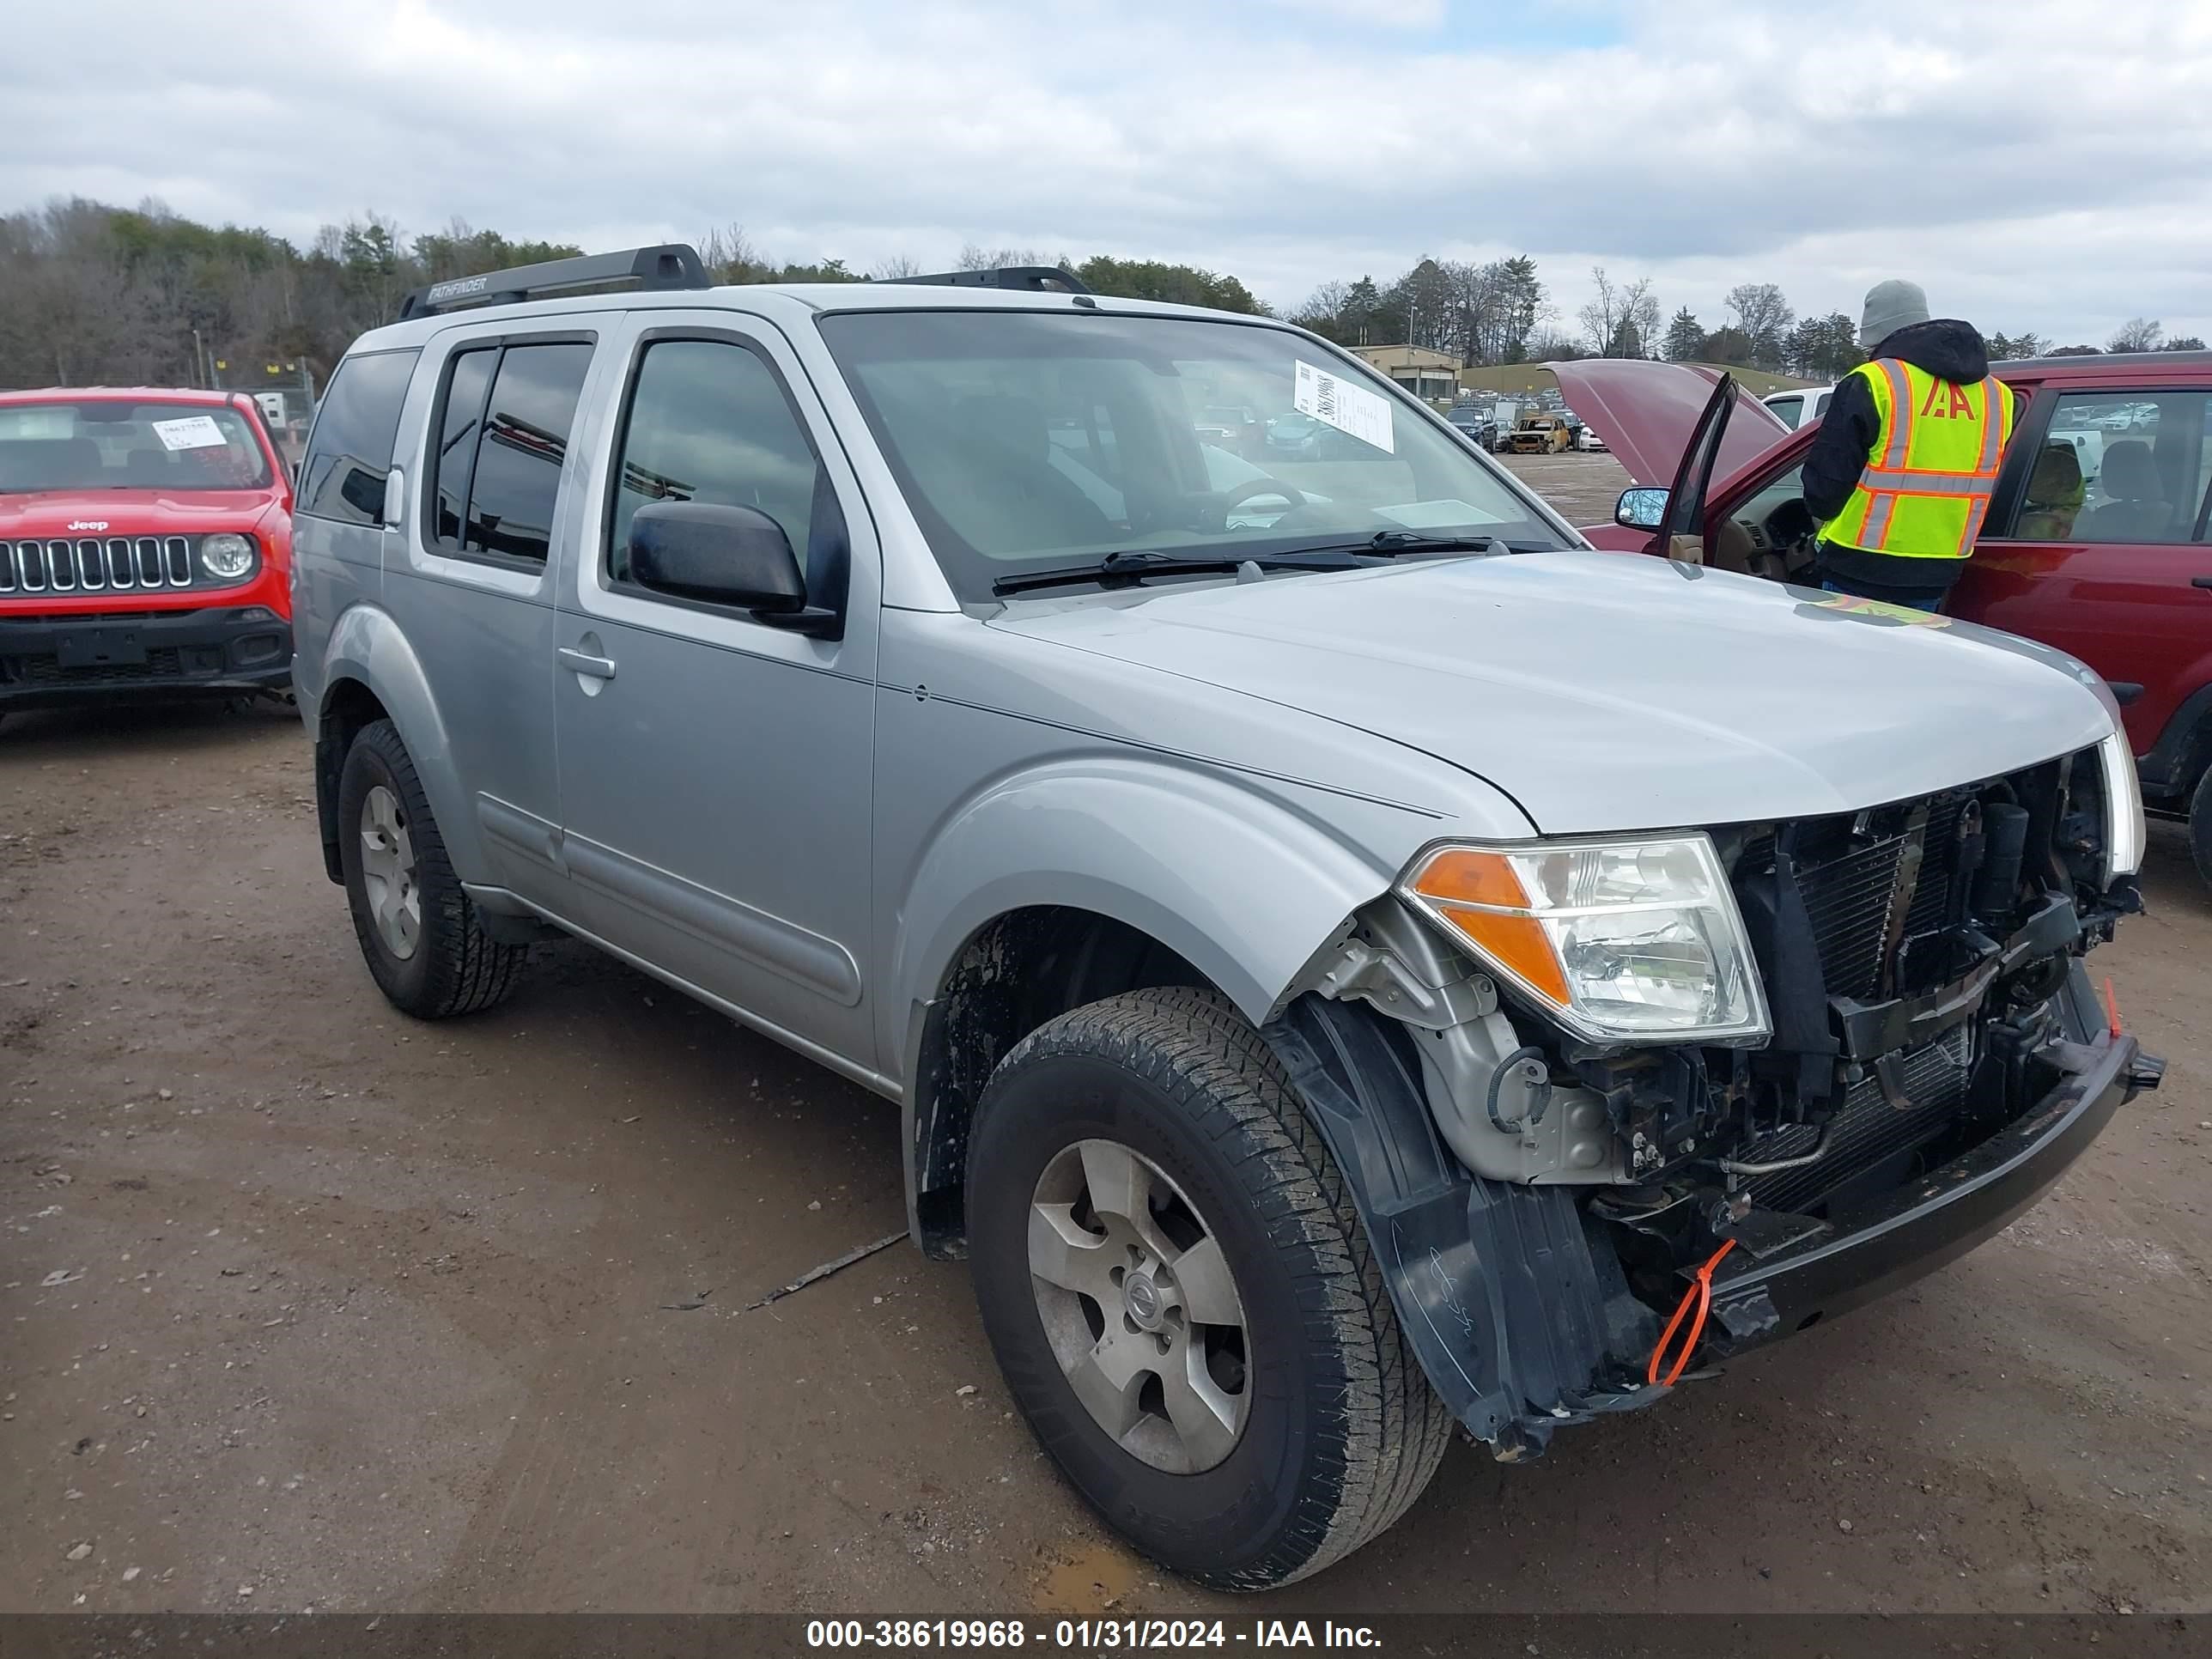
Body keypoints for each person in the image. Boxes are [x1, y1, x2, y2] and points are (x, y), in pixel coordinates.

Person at [1800, 280, 2016, 611]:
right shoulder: (1998, 395)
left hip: (1858, 561)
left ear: (1875, 332)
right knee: (1907, 660)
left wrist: (1820, 518)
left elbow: (1827, 480)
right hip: (1939, 565)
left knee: (1848, 660)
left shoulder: (1875, 380)